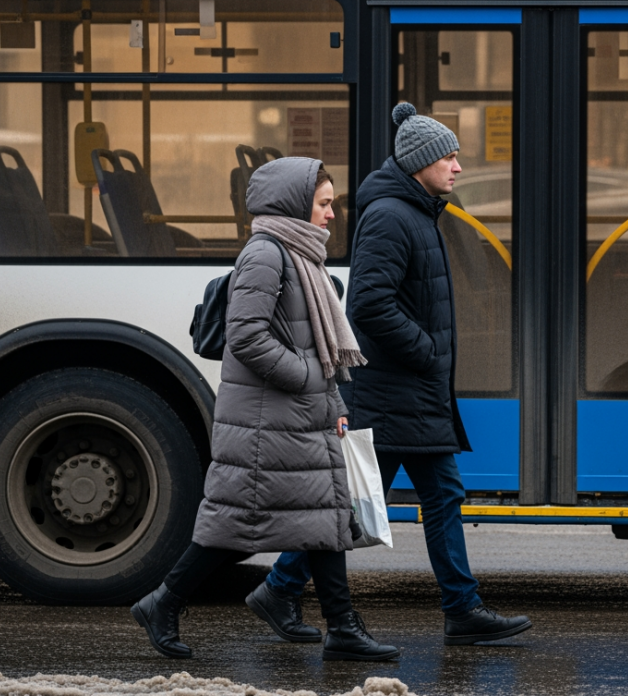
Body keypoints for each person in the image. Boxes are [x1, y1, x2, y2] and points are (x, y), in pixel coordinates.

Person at [245, 103, 532, 647]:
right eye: (448, 156)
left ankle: (457, 607)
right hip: (396, 390)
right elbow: (371, 304)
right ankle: (284, 587)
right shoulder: (391, 216)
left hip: (412, 393)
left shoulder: (417, 210)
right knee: (359, 501)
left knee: (424, 495)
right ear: (420, 162)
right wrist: (425, 350)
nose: (457, 166)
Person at [130, 157, 398, 662]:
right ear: (295, 204)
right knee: (237, 527)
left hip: (299, 414)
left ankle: (341, 627)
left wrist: (333, 402)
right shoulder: (267, 254)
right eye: (324, 203)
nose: (332, 213)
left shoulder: (303, 256)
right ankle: (163, 602)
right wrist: (305, 380)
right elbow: (247, 337)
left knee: (325, 519)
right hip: (266, 421)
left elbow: (321, 345)